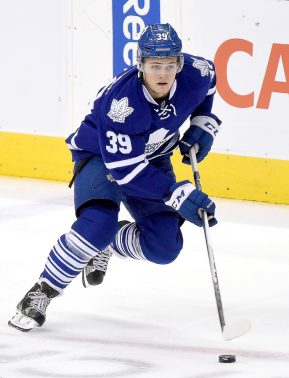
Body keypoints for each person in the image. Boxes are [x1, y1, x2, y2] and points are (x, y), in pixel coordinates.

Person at [8, 23, 221, 332]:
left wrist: (204, 121)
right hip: (101, 158)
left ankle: (107, 245)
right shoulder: (122, 106)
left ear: (179, 63)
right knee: (97, 224)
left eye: (169, 65)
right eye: (154, 66)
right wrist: (177, 193)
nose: (162, 74)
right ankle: (44, 289)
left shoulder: (197, 71)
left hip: (152, 157)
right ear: (141, 65)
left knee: (165, 248)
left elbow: (209, 86)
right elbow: (127, 172)